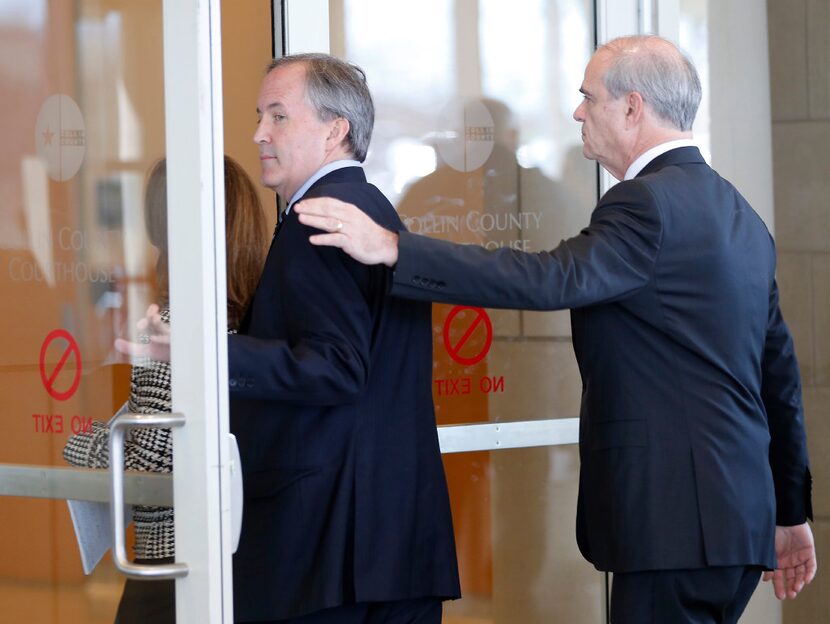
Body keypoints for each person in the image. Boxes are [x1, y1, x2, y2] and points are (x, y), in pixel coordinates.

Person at [294, 35, 816, 623]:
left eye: (587, 97)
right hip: (735, 521)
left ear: (632, 107)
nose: (576, 112)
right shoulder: (741, 215)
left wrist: (393, 248)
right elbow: (780, 376)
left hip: (676, 521)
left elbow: (550, 278)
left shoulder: (646, 204)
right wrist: (790, 511)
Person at [123, 53, 460, 623]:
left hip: (328, 552)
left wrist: (203, 354)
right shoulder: (374, 214)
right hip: (390, 542)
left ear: (336, 130)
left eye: (278, 116)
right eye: (260, 115)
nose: (259, 133)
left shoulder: (319, 220)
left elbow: (334, 367)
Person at [63, 155, 268, 624]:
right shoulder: (256, 323)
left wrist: (80, 444)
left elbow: (148, 461)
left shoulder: (169, 328)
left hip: (169, 565)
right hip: (243, 559)